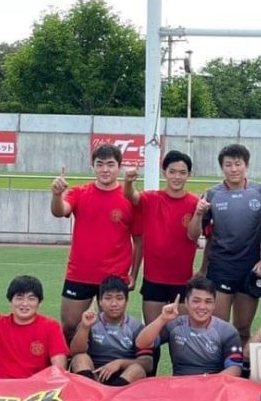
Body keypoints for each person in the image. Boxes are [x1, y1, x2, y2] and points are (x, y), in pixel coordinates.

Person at [187, 143, 261, 345]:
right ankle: (217, 365)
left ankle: (240, 365)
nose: (233, 169)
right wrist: (198, 213)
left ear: (246, 165)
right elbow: (192, 234)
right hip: (221, 268)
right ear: (222, 167)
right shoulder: (212, 194)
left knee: (243, 328)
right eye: (228, 165)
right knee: (217, 327)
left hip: (249, 270)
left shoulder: (260, 192)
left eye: (238, 164)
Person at [51, 144, 138, 340]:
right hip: (79, 272)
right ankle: (73, 359)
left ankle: (101, 359)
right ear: (93, 166)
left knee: (110, 330)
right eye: (100, 164)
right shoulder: (80, 192)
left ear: (119, 167)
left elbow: (139, 240)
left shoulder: (129, 198)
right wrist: (56, 195)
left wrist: (134, 273)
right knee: (69, 326)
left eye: (110, 164)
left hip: (114, 275)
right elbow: (60, 210)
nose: (105, 170)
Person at [123, 150, 201, 325]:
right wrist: (128, 181)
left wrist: (199, 213)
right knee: (153, 333)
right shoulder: (151, 198)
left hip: (182, 281)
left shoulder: (195, 203)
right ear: (164, 172)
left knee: (180, 335)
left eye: (182, 172)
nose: (177, 177)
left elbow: (195, 235)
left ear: (189, 174)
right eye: (172, 172)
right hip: (153, 280)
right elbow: (130, 195)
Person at [135, 277, 244, 377]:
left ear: (214, 305)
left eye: (208, 302)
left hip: (212, 385)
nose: (202, 307)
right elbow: (141, 343)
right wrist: (162, 319)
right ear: (186, 303)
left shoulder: (227, 331)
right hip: (179, 385)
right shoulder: (174, 325)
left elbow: (235, 368)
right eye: (196, 301)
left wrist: (207, 382)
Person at [68, 275, 151, 386]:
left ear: (126, 301)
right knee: (79, 358)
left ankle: (113, 394)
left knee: (137, 369)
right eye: (108, 298)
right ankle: (93, 392)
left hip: (123, 376)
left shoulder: (136, 327)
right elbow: (75, 352)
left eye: (119, 298)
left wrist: (120, 363)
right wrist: (85, 327)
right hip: (94, 375)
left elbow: (147, 363)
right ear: (100, 301)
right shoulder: (90, 321)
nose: (114, 304)